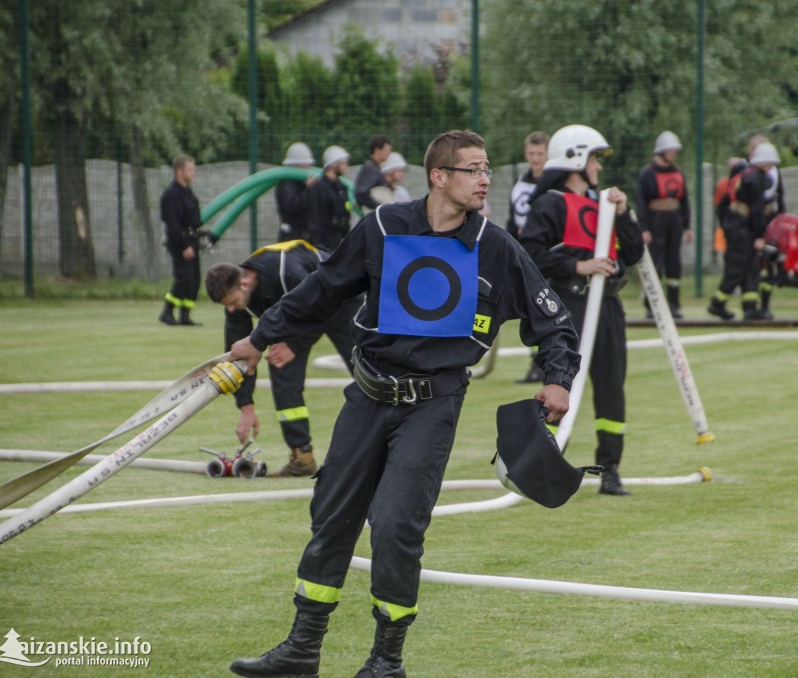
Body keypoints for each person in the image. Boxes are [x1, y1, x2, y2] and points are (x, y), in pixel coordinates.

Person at [226, 130, 580, 678]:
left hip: (431, 407)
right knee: (331, 518)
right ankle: (301, 649)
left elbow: (554, 321)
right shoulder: (383, 227)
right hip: (366, 396)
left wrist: (558, 379)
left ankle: (386, 660)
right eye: (474, 169)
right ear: (439, 176)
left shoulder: (497, 246)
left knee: (395, 524)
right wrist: (257, 339)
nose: (486, 179)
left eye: (488, 169)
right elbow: (320, 291)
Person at [519, 124, 645, 497]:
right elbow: (531, 256)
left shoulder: (604, 205)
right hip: (569, 307)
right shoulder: (549, 204)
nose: (598, 168)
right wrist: (579, 266)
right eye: (594, 158)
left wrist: (622, 214)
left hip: (607, 306)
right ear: (575, 158)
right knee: (560, 386)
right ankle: (544, 465)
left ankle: (610, 469)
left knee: (611, 388)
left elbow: (634, 253)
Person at [204, 241, 357, 477]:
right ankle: (302, 456)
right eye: (229, 306)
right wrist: (246, 406)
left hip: (339, 297)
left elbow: (321, 302)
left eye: (234, 302)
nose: (233, 309)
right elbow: (238, 356)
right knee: (280, 365)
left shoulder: (288, 270)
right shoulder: (235, 299)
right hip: (300, 312)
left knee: (366, 367)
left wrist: (293, 343)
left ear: (244, 283)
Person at [707, 142, 781, 321]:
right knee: (738, 267)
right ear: (764, 163)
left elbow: (723, 203)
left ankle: (750, 307)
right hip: (744, 229)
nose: (771, 168)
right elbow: (756, 210)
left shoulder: (742, 176)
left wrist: (726, 226)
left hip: (737, 226)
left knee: (751, 267)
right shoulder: (756, 179)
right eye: (770, 164)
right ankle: (717, 304)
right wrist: (759, 235)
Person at [507, 131, 550, 384]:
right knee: (530, 313)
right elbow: (513, 222)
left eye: (540, 154)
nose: (535, 159)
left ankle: (551, 365)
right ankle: (536, 366)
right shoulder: (520, 185)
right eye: (531, 154)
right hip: (526, 255)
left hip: (549, 256)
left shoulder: (556, 185)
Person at [635, 130, 691, 318]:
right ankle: (652, 305)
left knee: (674, 262)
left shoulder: (678, 172)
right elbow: (641, 202)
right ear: (661, 151)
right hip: (655, 221)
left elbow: (685, 201)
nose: (673, 153)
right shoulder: (647, 173)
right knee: (656, 263)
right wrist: (644, 229)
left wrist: (688, 226)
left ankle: (674, 304)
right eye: (670, 150)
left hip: (674, 221)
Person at [159, 154, 202, 326]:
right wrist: (184, 245)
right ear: (179, 171)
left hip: (192, 239)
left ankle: (185, 315)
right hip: (180, 242)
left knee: (194, 279)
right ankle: (167, 311)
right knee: (183, 277)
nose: (193, 172)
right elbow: (173, 224)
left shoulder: (188, 192)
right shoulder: (171, 195)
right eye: (190, 169)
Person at [304, 145, 353, 253]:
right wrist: (318, 247)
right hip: (324, 242)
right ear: (334, 164)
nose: (346, 166)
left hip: (339, 239)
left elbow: (345, 213)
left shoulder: (341, 187)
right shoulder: (318, 187)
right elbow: (315, 219)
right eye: (343, 163)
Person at [275, 142, 318, 243]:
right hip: (292, 236)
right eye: (306, 164)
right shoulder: (287, 183)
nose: (309, 167)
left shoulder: (302, 182)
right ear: (297, 165)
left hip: (306, 234)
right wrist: (308, 191)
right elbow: (292, 206)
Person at [353, 134, 393, 211]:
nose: (389, 153)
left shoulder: (375, 167)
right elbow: (361, 194)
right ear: (377, 150)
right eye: (386, 150)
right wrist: (379, 207)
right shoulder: (370, 168)